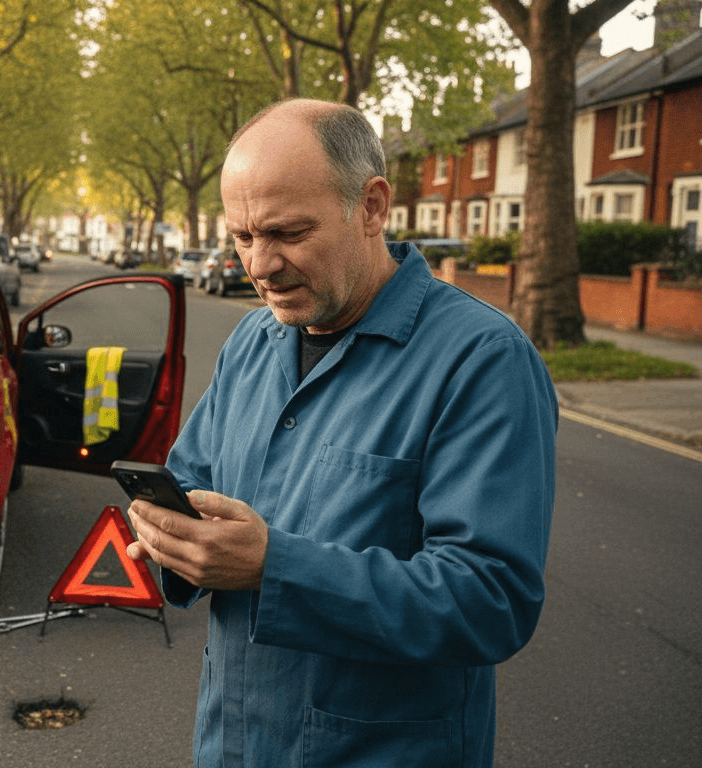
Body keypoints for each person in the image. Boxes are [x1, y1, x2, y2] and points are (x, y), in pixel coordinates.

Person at [125, 98, 558, 767]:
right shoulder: (252, 339)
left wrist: (275, 567)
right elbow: (193, 478)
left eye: (288, 233)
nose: (259, 266)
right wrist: (167, 537)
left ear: (373, 206)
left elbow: (490, 600)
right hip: (232, 745)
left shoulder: (481, 358)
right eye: (242, 237)